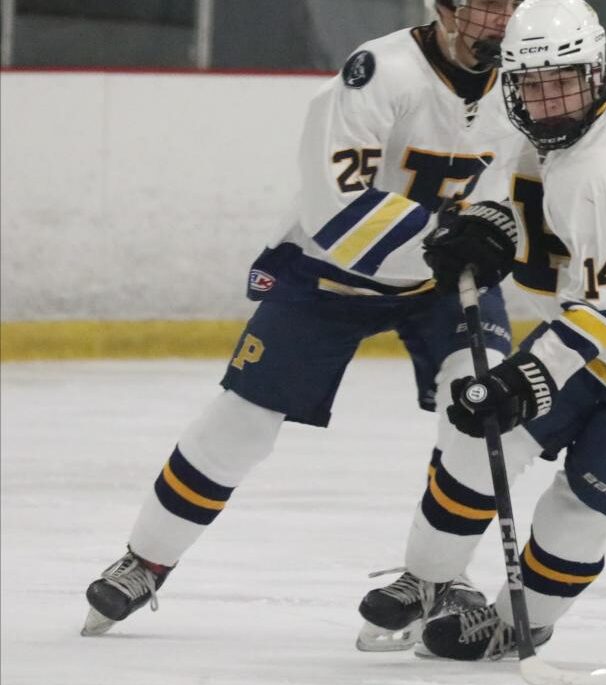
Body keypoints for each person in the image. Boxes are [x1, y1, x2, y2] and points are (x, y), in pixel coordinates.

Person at [81, 0, 531, 649]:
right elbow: (335, 206)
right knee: (240, 424)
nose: (505, 19)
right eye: (490, 5)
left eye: (516, 5)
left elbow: (574, 144)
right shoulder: (380, 72)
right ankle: (146, 559)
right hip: (333, 274)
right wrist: (449, 234)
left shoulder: (524, 82)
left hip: (446, 282)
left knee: (481, 410)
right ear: (445, 7)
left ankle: (434, 576)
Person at [366, 0, 606, 661]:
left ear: (596, 73)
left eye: (565, 82)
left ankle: (522, 623)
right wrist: (483, 224)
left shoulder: (603, 169)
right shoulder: (588, 121)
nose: (549, 100)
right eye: (534, 84)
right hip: (594, 347)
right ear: (512, 82)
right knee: (475, 441)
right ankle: (427, 579)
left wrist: (523, 378)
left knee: (580, 506)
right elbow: (510, 185)